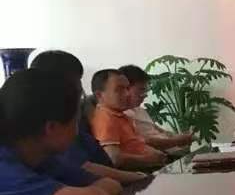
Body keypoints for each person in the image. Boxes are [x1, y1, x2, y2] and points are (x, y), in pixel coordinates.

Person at [0, 70, 120, 195]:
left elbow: (111, 185)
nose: (78, 132)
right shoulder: (4, 168)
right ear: (51, 128)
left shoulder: (42, 159)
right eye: (76, 122)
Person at [30, 51, 147, 185]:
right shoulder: (55, 125)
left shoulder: (78, 115)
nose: (80, 88)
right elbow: (84, 168)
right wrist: (137, 177)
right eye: (76, 81)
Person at [89, 70, 167, 170]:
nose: (127, 94)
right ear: (99, 95)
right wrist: (148, 159)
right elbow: (114, 159)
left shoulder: (119, 115)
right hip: (143, 172)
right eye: (119, 90)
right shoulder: (105, 119)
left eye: (127, 88)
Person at [118, 65, 193, 151]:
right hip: (160, 154)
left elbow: (158, 130)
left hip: (172, 150)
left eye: (145, 90)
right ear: (125, 88)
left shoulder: (140, 110)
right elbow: (144, 142)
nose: (145, 95)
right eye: (141, 90)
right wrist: (177, 141)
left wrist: (178, 137)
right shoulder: (122, 116)